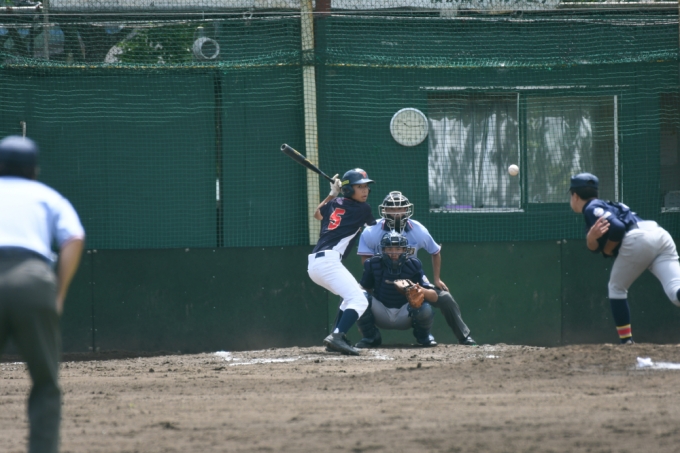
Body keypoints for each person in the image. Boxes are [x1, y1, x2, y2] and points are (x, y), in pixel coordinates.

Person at [0, 135, 85, 453]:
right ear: (33, 170)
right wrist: (58, 292)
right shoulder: (48, 196)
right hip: (33, 282)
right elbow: (74, 238)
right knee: (45, 383)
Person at [569, 172, 680, 344]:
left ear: (575, 196)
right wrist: (591, 239)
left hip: (638, 238)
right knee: (675, 292)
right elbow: (595, 247)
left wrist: (608, 249)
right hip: (659, 235)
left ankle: (626, 342)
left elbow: (618, 228)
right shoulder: (605, 205)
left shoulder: (591, 208)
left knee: (616, 288)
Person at [357, 191, 477, 346]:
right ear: (384, 210)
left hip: (411, 279)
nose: (396, 213)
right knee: (351, 294)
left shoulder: (418, 230)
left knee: (445, 297)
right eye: (392, 209)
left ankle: (463, 336)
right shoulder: (371, 230)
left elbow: (435, 251)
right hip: (382, 280)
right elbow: (366, 261)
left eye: (400, 208)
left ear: (407, 209)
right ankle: (340, 335)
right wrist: (378, 279)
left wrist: (436, 279)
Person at [308, 168, 376, 355]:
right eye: (359, 187)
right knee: (360, 300)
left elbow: (317, 214)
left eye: (366, 187)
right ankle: (337, 337)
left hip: (315, 264)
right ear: (349, 189)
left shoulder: (333, 203)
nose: (365, 190)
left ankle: (335, 336)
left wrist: (333, 193)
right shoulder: (363, 208)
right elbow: (373, 227)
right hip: (328, 262)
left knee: (353, 296)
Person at [356, 231, 438, 348]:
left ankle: (424, 337)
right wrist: (361, 313)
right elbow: (365, 289)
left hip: (405, 314)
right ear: (383, 250)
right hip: (381, 312)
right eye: (389, 249)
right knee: (358, 297)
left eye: (398, 249)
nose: (394, 253)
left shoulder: (414, 265)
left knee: (424, 306)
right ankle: (370, 336)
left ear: (405, 250)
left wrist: (417, 289)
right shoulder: (373, 264)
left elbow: (434, 297)